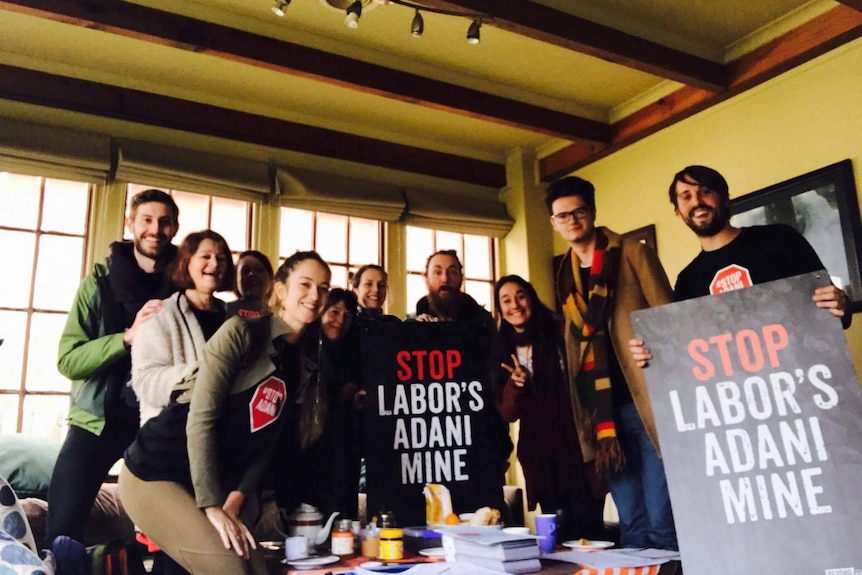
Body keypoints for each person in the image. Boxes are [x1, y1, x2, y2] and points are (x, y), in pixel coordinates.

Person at [119, 250, 331, 575]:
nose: (315, 295)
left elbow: (265, 444)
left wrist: (236, 499)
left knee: (258, 569)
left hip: (211, 485)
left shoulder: (298, 362)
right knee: (232, 570)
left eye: (324, 287)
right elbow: (201, 419)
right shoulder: (241, 332)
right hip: (155, 472)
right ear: (280, 289)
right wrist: (212, 504)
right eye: (305, 284)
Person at [546, 176, 677, 550]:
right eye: (562, 216)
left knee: (662, 519)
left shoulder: (633, 254)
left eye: (578, 211)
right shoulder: (564, 276)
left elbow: (670, 320)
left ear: (592, 212)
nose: (571, 220)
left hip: (646, 403)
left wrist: (655, 346)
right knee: (631, 523)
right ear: (554, 224)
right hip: (604, 420)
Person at [48, 189, 179, 555]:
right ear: (131, 224)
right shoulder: (99, 283)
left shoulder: (184, 285)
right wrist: (126, 337)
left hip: (159, 425)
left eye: (164, 221)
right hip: (97, 421)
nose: (156, 229)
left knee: (173, 538)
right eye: (147, 220)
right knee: (62, 534)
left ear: (174, 227)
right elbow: (68, 360)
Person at [630, 165, 851, 366]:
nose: (697, 202)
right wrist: (650, 353)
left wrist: (840, 304)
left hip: (804, 380)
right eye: (686, 196)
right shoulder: (688, 280)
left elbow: (838, 315)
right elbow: (686, 350)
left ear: (724, 198)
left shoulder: (780, 239)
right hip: (739, 400)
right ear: (678, 211)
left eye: (705, 191)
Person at [493, 275, 606, 542]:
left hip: (578, 448)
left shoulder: (559, 330)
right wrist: (516, 385)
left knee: (590, 529)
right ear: (499, 310)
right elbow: (508, 413)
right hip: (541, 458)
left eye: (520, 296)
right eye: (506, 300)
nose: (515, 305)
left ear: (531, 297)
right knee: (558, 536)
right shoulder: (500, 348)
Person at [132, 230, 234, 425]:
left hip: (223, 436)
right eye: (205, 256)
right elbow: (145, 383)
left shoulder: (233, 317)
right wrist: (208, 373)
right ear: (186, 262)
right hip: (169, 437)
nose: (214, 264)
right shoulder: (160, 315)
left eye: (221, 258)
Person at [316, 288, 363, 518]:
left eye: (347, 316)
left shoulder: (353, 350)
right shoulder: (309, 346)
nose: (340, 320)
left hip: (346, 443)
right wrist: (338, 395)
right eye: (334, 312)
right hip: (315, 446)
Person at [414, 249, 491, 322]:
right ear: (426, 278)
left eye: (452, 272)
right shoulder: (415, 320)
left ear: (461, 278)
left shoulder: (482, 321)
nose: (445, 279)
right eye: (438, 272)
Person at [227, 250, 274, 319]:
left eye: (259, 270)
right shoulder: (224, 311)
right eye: (246, 271)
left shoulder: (277, 316)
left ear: (270, 278)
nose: (252, 274)